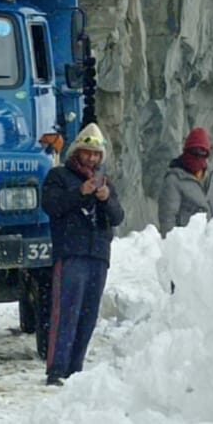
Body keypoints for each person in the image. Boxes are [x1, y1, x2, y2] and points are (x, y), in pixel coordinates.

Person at [42, 122, 125, 387]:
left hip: (98, 254)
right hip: (71, 252)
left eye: (96, 154)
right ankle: (56, 369)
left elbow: (117, 216)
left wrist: (105, 198)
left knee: (88, 316)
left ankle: (75, 369)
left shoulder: (106, 183)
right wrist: (81, 192)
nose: (91, 158)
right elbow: (52, 206)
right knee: (65, 311)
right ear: (76, 153)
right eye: (87, 153)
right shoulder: (58, 177)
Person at [158, 127, 213, 238]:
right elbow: (167, 219)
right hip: (187, 245)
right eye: (194, 152)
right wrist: (172, 250)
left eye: (203, 153)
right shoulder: (174, 180)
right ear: (186, 152)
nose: (198, 157)